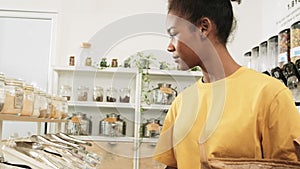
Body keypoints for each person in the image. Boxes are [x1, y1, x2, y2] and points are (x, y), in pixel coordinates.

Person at [153, 0, 300, 168]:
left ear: (203, 28)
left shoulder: (270, 95)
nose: (169, 47)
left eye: (174, 34)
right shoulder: (180, 104)